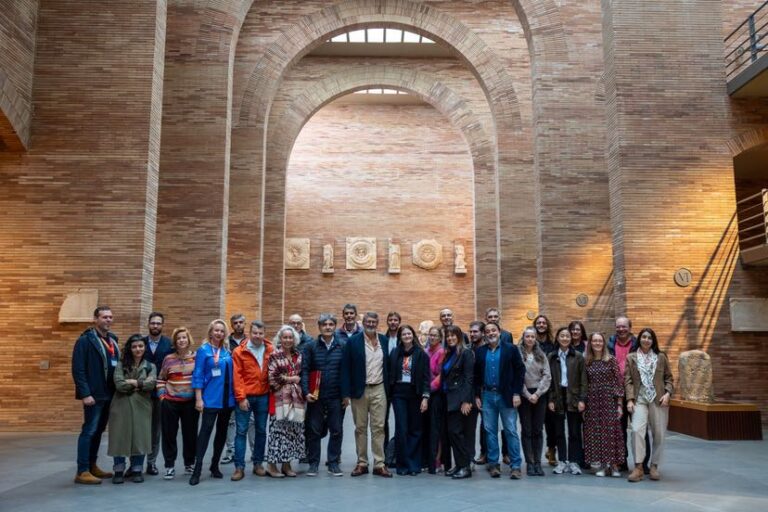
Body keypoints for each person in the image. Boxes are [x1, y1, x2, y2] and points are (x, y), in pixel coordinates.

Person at [71, 306, 120, 484]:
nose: (108, 320)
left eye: (110, 317)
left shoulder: (113, 340)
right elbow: (78, 369)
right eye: (104, 317)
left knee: (99, 431)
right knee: (89, 431)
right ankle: (82, 470)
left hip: (109, 394)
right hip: (94, 395)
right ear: (95, 319)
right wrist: (85, 393)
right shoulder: (85, 340)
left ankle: (92, 465)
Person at [342, 312, 392, 478]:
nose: (371, 324)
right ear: (363, 323)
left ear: (377, 323)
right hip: (359, 390)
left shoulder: (384, 340)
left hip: (379, 388)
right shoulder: (353, 342)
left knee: (379, 428)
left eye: (374, 322)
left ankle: (379, 464)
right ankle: (362, 463)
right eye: (368, 321)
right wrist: (346, 394)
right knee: (360, 428)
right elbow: (346, 368)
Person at [474, 322, 525, 479]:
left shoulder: (511, 349)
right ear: (484, 334)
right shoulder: (481, 351)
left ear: (499, 331)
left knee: (510, 430)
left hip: (507, 395)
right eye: (487, 331)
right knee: (490, 431)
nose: (491, 333)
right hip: (487, 396)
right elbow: (476, 375)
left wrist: (517, 392)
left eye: (493, 330)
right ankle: (493, 464)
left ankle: (515, 466)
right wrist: (477, 395)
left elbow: (520, 370)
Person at [189, 319, 235, 485]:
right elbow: (198, 374)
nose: (219, 333)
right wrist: (199, 398)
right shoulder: (204, 350)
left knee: (222, 433)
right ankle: (198, 468)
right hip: (210, 399)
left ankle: (215, 465)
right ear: (210, 332)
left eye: (222, 331)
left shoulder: (226, 351)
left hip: (227, 400)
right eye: (216, 330)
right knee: (205, 433)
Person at [625, 328, 674, 482]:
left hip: (658, 400)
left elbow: (669, 378)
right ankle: (638, 467)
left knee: (659, 433)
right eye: (644, 337)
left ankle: (654, 465)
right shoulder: (631, 357)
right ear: (639, 339)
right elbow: (628, 381)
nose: (646, 340)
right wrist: (630, 399)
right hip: (640, 399)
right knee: (636, 430)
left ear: (653, 341)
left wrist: (668, 393)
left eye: (649, 338)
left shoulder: (661, 357)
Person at [301, 313, 347, 477]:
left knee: (336, 430)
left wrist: (346, 395)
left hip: (336, 395)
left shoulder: (343, 345)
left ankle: (333, 463)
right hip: (316, 396)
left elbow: (346, 372)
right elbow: (305, 371)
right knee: (314, 430)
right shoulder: (310, 347)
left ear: (335, 326)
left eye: (330, 324)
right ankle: (313, 464)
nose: (328, 327)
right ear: (319, 327)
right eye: (324, 324)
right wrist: (306, 392)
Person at [108, 335, 157, 483]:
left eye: (141, 346)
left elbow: (151, 384)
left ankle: (137, 469)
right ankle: (118, 470)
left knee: (140, 437)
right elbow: (119, 384)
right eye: (135, 346)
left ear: (145, 347)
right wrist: (140, 384)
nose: (138, 349)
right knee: (119, 437)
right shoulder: (120, 364)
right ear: (130, 348)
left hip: (142, 406)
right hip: (121, 405)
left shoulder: (150, 366)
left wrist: (134, 382)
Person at [230, 320, 273, 480]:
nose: (257, 336)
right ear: (250, 332)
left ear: (264, 334)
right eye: (255, 333)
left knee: (261, 431)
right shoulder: (239, 352)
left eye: (261, 333)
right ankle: (239, 467)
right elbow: (237, 376)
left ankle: (258, 464)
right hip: (246, 397)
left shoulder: (270, 349)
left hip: (263, 396)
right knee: (241, 431)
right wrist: (241, 398)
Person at [157, 326, 198, 480]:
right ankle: (169, 466)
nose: (182, 340)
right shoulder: (168, 359)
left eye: (184, 337)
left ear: (189, 340)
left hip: (190, 403)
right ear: (175, 341)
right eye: (179, 338)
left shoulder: (196, 358)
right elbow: (161, 379)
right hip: (170, 403)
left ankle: (189, 463)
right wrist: (162, 397)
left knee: (190, 434)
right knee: (169, 435)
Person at [388, 324, 430, 475]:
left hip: (416, 395)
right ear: (400, 337)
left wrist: (425, 397)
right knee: (402, 429)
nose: (407, 336)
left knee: (415, 430)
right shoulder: (394, 353)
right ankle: (403, 465)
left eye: (409, 334)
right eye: (404, 334)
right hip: (399, 395)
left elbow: (426, 378)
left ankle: (414, 465)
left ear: (413, 335)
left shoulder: (421, 354)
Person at [266, 325, 306, 477]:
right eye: (285, 337)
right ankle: (271, 465)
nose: (288, 340)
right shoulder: (274, 356)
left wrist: (297, 380)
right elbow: (273, 378)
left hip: (296, 400)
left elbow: (303, 375)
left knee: (292, 432)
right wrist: (292, 379)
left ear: (294, 339)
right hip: (279, 400)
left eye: (290, 337)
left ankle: (286, 465)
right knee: (277, 433)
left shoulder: (299, 355)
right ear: (280, 339)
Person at [608, 315, 646, 472]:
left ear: (630, 328)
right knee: (618, 429)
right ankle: (621, 461)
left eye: (624, 326)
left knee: (639, 428)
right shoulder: (610, 344)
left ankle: (643, 463)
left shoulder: (638, 345)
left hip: (635, 393)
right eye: (618, 326)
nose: (621, 329)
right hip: (615, 393)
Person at [583, 332, 624, 477]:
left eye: (600, 340)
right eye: (594, 341)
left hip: (608, 400)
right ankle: (601, 465)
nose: (597, 343)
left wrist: (619, 404)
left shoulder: (611, 360)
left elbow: (618, 382)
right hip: (593, 400)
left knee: (610, 432)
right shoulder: (587, 361)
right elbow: (584, 383)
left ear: (604, 343)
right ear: (590, 343)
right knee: (596, 433)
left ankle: (613, 465)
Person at [548, 326, 587, 476]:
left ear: (571, 339)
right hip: (558, 395)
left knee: (574, 431)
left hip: (574, 396)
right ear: (557, 338)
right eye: (562, 336)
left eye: (567, 336)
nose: (565, 338)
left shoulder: (578, 356)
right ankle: (562, 460)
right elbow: (549, 379)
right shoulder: (551, 356)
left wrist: (582, 399)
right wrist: (551, 399)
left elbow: (584, 380)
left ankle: (574, 461)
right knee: (559, 431)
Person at [141, 312, 173, 476]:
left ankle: (151, 463)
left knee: (155, 429)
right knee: (140, 429)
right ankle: (136, 464)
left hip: (161, 394)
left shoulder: (169, 344)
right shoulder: (140, 343)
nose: (155, 326)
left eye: (158, 323)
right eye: (153, 323)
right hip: (141, 393)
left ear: (162, 325)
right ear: (148, 324)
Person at [441, 325, 475, 479]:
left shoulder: (466, 353)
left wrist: (467, 400)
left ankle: (465, 467)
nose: (450, 338)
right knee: (453, 433)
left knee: (458, 433)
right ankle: (460, 464)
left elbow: (469, 378)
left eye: (453, 335)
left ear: (459, 336)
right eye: (448, 336)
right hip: (449, 398)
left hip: (460, 399)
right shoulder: (450, 354)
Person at [518, 326, 551, 477]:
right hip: (524, 396)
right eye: (527, 336)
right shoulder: (518, 354)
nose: (530, 339)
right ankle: (529, 463)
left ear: (535, 338)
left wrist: (537, 394)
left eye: (532, 336)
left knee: (538, 430)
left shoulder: (541, 355)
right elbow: (516, 375)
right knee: (527, 430)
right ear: (523, 338)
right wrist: (526, 393)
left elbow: (547, 376)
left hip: (539, 395)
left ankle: (538, 462)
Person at [222, 313, 252, 465]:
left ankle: (254, 452)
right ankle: (230, 452)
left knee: (251, 421)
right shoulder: (226, 342)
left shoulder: (251, 341)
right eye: (236, 323)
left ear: (245, 324)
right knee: (231, 421)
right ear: (232, 325)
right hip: (229, 386)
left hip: (248, 386)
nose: (239, 325)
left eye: (241, 322)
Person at [423, 326, 449, 473]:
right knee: (428, 428)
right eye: (430, 335)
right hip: (427, 394)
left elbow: (440, 376)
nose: (432, 337)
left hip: (436, 394)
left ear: (440, 338)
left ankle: (437, 460)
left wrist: (428, 390)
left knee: (436, 429)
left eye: (435, 335)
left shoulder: (441, 352)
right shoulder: (426, 351)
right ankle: (429, 459)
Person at [533, 314, 557, 467]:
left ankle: (551, 449)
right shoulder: (530, 343)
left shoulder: (553, 344)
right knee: (537, 422)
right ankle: (536, 453)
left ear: (547, 325)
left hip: (551, 387)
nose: (541, 325)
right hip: (534, 387)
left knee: (551, 421)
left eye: (543, 322)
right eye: (538, 323)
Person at [384, 311, 402, 467]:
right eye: (390, 320)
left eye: (395, 320)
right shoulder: (382, 339)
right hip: (384, 386)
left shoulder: (404, 340)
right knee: (382, 422)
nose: (393, 322)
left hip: (400, 386)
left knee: (400, 420)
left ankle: (397, 453)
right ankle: (384, 455)